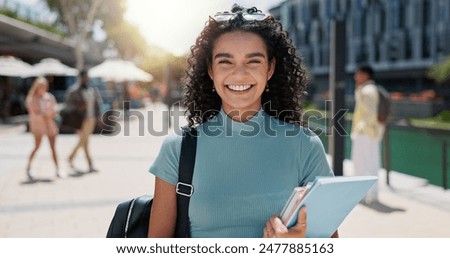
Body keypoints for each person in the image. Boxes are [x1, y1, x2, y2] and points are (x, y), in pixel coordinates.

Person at [148, 4, 337, 238]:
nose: (239, 74)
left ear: (270, 69)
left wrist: (300, 246)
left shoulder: (305, 146)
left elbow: (330, 245)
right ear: (211, 71)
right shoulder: (177, 148)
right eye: (225, 62)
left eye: (253, 61)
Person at [351, 65, 384, 203]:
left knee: (360, 164)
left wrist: (362, 127)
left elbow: (370, 113)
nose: (355, 77)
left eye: (357, 74)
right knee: (372, 164)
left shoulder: (366, 91)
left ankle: (362, 195)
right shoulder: (373, 89)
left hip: (365, 132)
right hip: (372, 133)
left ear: (365, 75)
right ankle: (373, 194)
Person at [25, 76, 66, 180]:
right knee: (37, 146)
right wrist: (46, 114)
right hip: (38, 126)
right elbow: (34, 114)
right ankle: (28, 167)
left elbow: (55, 109)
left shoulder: (49, 97)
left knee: (53, 148)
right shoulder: (32, 98)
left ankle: (57, 169)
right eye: (42, 86)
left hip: (50, 125)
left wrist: (50, 113)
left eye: (45, 86)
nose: (44, 88)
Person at [65, 69, 102, 173]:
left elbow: (97, 103)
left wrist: (98, 116)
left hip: (91, 118)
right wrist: (78, 106)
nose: (86, 79)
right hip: (80, 119)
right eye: (84, 77)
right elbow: (68, 105)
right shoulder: (74, 91)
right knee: (85, 141)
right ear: (80, 78)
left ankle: (70, 158)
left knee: (83, 140)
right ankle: (90, 164)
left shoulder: (93, 89)